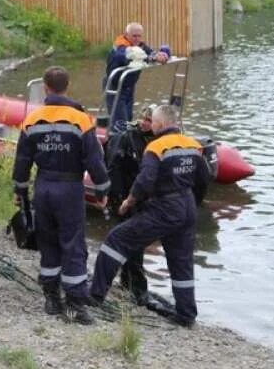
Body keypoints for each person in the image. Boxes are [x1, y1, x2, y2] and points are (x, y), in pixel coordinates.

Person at [90, 104, 211, 327]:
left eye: (153, 121)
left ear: (162, 124)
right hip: (187, 206)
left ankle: (95, 296)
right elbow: (204, 180)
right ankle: (186, 315)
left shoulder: (156, 147)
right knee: (181, 262)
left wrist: (128, 202)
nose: (151, 125)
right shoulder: (194, 146)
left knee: (116, 240)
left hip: (164, 206)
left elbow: (145, 181)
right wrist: (193, 203)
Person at [12, 66, 110, 324]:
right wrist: (102, 190)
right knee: (73, 243)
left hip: (43, 186)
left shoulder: (32, 120)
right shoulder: (80, 119)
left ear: (45, 88)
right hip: (70, 188)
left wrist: (20, 191)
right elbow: (94, 160)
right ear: (68, 86)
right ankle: (77, 303)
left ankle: (51, 297)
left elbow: (22, 160)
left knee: (48, 241)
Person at [104, 104, 158, 303]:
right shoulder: (127, 138)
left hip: (141, 198)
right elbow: (113, 168)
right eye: (144, 119)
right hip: (124, 196)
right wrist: (117, 199)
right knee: (132, 241)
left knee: (133, 242)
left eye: (150, 121)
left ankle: (126, 280)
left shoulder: (157, 140)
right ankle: (136, 286)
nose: (145, 123)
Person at [103, 22, 169, 134]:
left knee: (128, 117)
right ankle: (117, 146)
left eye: (139, 36)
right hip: (115, 86)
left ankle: (130, 141)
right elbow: (127, 56)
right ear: (126, 35)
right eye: (134, 36)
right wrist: (151, 58)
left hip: (129, 86)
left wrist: (160, 55)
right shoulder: (120, 45)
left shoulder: (140, 45)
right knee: (120, 122)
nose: (137, 39)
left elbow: (149, 52)